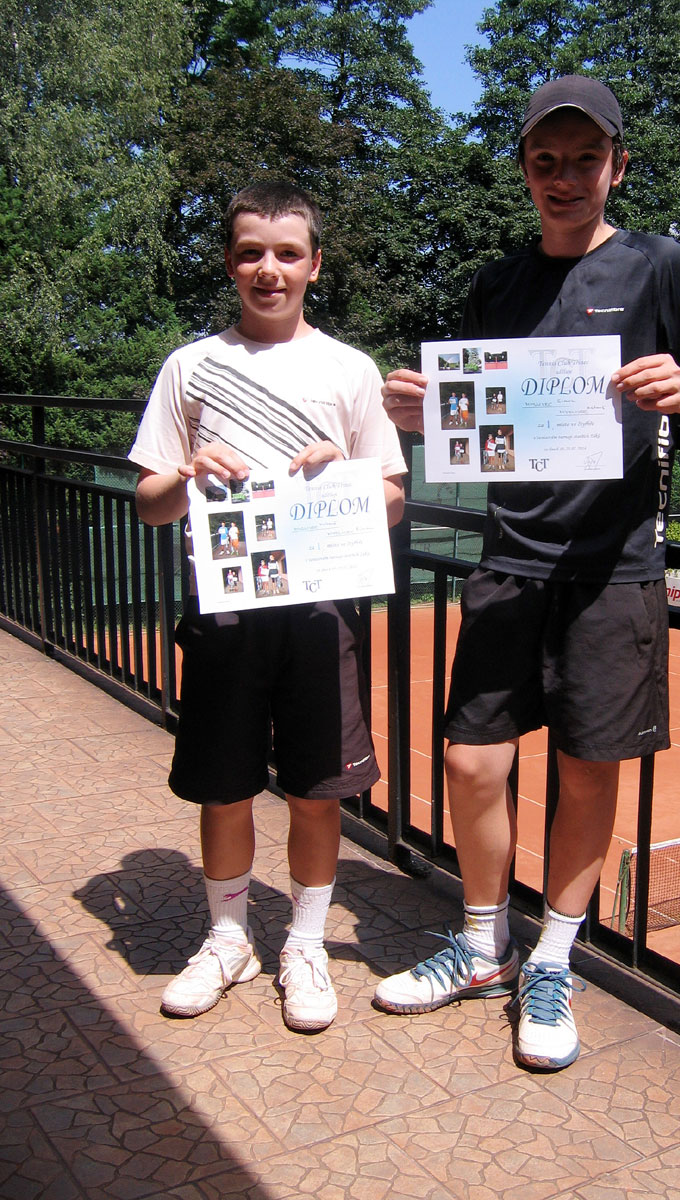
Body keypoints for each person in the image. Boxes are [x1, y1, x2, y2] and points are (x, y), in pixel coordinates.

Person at [376, 76, 680, 1070]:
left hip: (612, 570)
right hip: (512, 561)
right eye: (546, 160)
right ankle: (482, 944)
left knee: (587, 773)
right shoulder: (498, 283)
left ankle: (553, 957)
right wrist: (421, 412)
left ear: (616, 167)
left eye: (586, 159)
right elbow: (472, 418)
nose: (565, 177)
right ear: (525, 171)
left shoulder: (657, 264)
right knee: (471, 764)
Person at [130, 179, 406, 1032]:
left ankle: (305, 944)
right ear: (229, 261)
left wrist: (344, 480)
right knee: (224, 787)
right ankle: (228, 940)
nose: (269, 269)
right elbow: (148, 502)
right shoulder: (189, 366)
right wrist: (186, 474)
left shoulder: (350, 370)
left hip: (320, 617)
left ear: (315, 265)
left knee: (319, 791)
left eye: (288, 253)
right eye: (251, 252)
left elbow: (394, 497)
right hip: (226, 616)